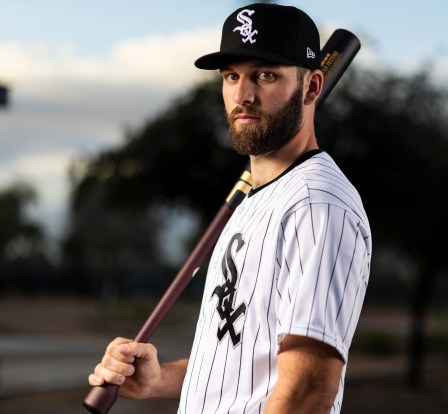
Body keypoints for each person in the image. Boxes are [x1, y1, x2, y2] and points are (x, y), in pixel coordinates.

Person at [88, 3, 372, 413]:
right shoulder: (257, 200)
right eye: (232, 76)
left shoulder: (317, 207)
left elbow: (307, 391)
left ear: (312, 87)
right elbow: (244, 367)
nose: (243, 95)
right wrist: (158, 379)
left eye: (266, 75)